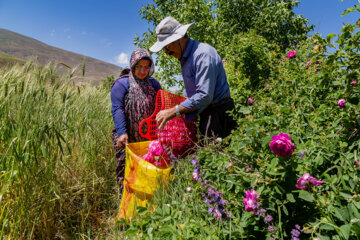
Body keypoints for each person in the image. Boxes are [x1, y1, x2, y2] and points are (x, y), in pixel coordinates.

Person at [150, 16, 237, 141]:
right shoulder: (185, 58)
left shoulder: (202, 54)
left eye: (167, 47)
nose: (167, 53)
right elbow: (192, 89)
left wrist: (173, 111)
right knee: (206, 154)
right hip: (207, 112)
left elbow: (204, 96)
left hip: (219, 114)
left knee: (218, 156)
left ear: (178, 39)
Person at [111, 48, 161, 191]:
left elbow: (161, 107)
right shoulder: (122, 84)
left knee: (147, 169)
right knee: (126, 170)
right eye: (139, 66)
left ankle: (146, 204)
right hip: (126, 137)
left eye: (146, 67)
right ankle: (125, 204)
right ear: (133, 65)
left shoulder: (154, 84)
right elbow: (117, 108)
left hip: (148, 137)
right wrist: (122, 132)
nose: (143, 71)